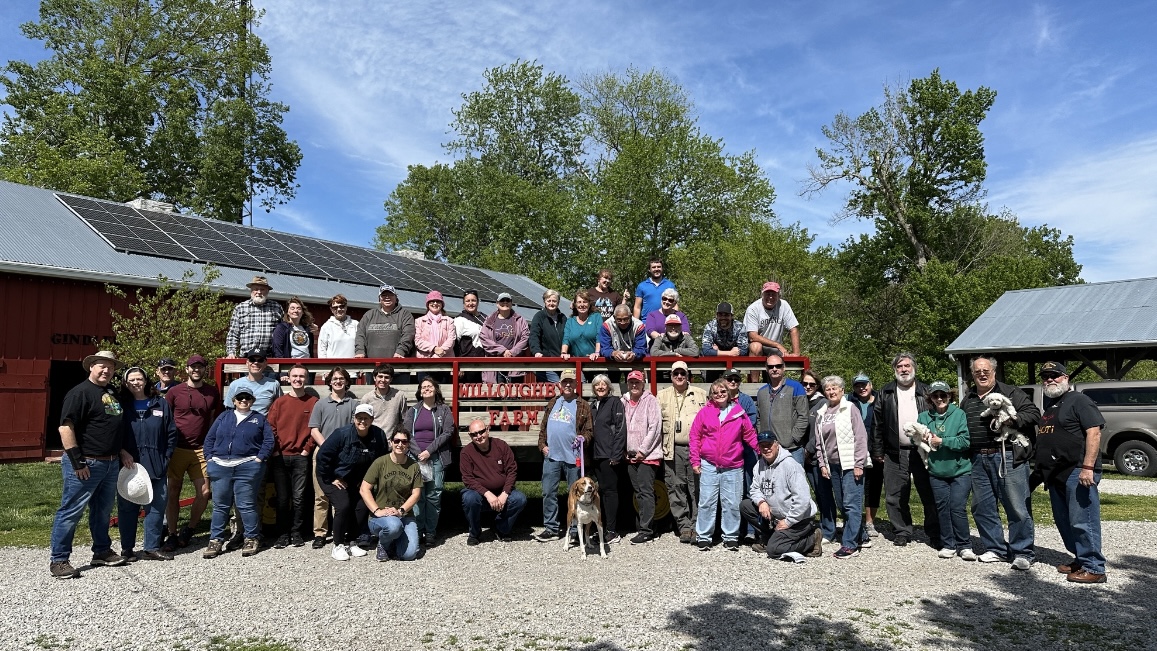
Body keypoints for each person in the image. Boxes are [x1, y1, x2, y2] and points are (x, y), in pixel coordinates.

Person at [50, 350, 133, 578]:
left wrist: (121, 451)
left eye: (110, 367)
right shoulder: (79, 393)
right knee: (71, 511)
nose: (106, 370)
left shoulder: (110, 392)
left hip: (111, 463)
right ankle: (59, 559)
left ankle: (102, 551)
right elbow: (65, 429)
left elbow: (109, 426)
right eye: (101, 366)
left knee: (103, 512)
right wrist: (78, 463)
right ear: (91, 367)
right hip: (87, 463)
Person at [960, 355, 1040, 568]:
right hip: (978, 457)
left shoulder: (1011, 393)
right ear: (973, 375)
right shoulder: (969, 399)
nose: (982, 374)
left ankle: (1023, 552)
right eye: (977, 372)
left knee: (1016, 505)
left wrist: (1013, 420)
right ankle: (995, 548)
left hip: (1007, 454)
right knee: (982, 506)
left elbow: (1033, 413)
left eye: (986, 370)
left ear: (994, 372)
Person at [1034, 362, 1107, 583]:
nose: (1050, 380)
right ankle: (1081, 558)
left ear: (1065, 377)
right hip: (1057, 473)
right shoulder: (1052, 405)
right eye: (1046, 376)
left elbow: (1093, 433)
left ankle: (1094, 568)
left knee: (1083, 519)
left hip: (1077, 471)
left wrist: (1088, 468)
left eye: (1054, 375)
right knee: (1064, 521)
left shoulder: (1079, 400)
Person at [872, 353, 940, 548]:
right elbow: (877, 424)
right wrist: (878, 450)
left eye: (907, 365)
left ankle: (935, 532)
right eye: (900, 366)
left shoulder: (927, 391)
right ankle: (902, 530)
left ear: (914, 368)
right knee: (895, 495)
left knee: (929, 492)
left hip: (922, 450)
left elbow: (937, 418)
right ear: (895, 369)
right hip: (895, 451)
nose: (904, 369)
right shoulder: (885, 392)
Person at [202, 388, 275, 559]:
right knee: (220, 505)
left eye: (247, 398)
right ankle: (216, 540)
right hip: (220, 465)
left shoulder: (258, 419)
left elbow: (269, 440)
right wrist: (210, 458)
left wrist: (259, 459)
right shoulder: (223, 417)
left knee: (246, 504)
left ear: (252, 400)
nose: (244, 400)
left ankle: (251, 538)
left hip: (247, 466)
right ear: (234, 400)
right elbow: (210, 439)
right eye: (240, 398)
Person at [690, 378, 758, 551]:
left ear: (729, 394)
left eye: (723, 392)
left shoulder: (738, 412)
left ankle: (731, 537)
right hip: (709, 464)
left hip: (733, 465)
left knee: (732, 503)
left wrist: (761, 451)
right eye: (715, 392)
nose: (719, 395)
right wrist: (695, 460)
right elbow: (695, 437)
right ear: (711, 395)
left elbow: (749, 434)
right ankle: (704, 536)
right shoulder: (704, 413)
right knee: (706, 502)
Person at [117, 367, 177, 562]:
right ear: (126, 383)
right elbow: (112, 432)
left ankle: (151, 547)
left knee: (157, 506)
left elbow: (171, 432)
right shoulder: (121, 405)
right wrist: (122, 452)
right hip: (129, 464)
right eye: (131, 379)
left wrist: (166, 457)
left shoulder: (160, 403)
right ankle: (127, 548)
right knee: (128, 507)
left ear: (146, 381)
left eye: (139, 378)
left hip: (156, 462)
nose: (136, 382)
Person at [315, 403, 389, 561]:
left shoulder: (379, 435)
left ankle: (352, 541)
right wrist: (332, 478)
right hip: (331, 476)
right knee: (343, 505)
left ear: (372, 419)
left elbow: (382, 460)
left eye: (366, 418)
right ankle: (338, 545)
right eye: (359, 418)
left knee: (362, 506)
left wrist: (370, 481)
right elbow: (322, 457)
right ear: (354, 419)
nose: (362, 421)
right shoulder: (341, 434)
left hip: (357, 479)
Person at [163, 355, 220, 552]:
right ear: (186, 369)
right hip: (177, 448)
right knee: (173, 492)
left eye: (200, 367)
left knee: (204, 492)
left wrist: (211, 444)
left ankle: (190, 528)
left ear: (206, 370)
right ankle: (171, 533)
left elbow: (213, 419)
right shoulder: (174, 392)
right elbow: (166, 419)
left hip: (201, 449)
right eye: (192, 367)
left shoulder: (212, 392)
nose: (196, 370)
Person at [740, 432, 822, 558]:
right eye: (762, 446)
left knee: (774, 550)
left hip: (799, 519)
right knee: (746, 505)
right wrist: (761, 502)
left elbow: (803, 499)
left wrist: (789, 521)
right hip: (777, 516)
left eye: (769, 445)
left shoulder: (790, 465)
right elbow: (754, 489)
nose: (766, 449)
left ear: (777, 445)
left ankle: (812, 538)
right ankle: (769, 538)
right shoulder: (759, 465)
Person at [814, 375, 869, 559]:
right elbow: (819, 444)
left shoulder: (850, 408)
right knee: (842, 504)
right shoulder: (822, 413)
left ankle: (849, 545)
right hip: (833, 465)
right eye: (828, 388)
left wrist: (859, 463)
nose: (831, 391)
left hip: (850, 463)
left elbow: (860, 437)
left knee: (851, 504)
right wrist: (822, 464)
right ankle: (862, 535)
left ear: (842, 390)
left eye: (835, 388)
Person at [265, 364, 318, 549]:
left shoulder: (313, 402)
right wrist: (276, 451)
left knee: (299, 497)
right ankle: (282, 534)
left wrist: (306, 449)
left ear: (307, 379)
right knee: (282, 497)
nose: (298, 379)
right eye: (294, 376)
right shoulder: (279, 402)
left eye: (302, 376)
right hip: (280, 456)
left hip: (301, 457)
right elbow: (270, 427)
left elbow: (315, 429)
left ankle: (296, 532)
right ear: (288, 378)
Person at [536, 369, 593, 542]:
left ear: (576, 384)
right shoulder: (553, 402)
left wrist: (584, 439)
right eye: (564, 382)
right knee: (548, 492)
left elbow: (589, 430)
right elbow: (543, 427)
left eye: (571, 382)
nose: (567, 385)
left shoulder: (583, 404)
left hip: (573, 458)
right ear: (559, 385)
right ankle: (551, 528)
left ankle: (576, 531)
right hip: (552, 456)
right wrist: (542, 446)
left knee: (576, 495)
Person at [919, 381, 973, 560]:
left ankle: (964, 545)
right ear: (930, 398)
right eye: (935, 395)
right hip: (937, 471)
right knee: (942, 508)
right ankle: (948, 544)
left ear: (950, 396)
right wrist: (923, 438)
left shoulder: (959, 414)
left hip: (960, 471)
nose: (940, 398)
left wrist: (942, 441)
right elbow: (915, 439)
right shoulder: (923, 417)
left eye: (943, 395)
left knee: (957, 507)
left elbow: (965, 442)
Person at [308, 367, 359, 549]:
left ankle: (341, 531)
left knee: (342, 495)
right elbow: (314, 429)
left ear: (346, 381)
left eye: (341, 378)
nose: (338, 381)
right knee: (321, 496)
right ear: (329, 382)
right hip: (323, 454)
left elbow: (356, 428)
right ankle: (320, 533)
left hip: (345, 456)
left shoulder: (353, 404)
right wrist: (326, 446)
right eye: (335, 379)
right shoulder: (321, 404)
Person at [402, 377, 456, 547]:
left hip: (436, 457)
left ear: (435, 389)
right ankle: (418, 531)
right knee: (418, 496)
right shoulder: (413, 411)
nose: (426, 389)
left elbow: (448, 432)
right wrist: (419, 453)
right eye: (423, 387)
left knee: (434, 495)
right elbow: (406, 433)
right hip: (415, 458)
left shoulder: (443, 410)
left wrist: (429, 451)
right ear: (419, 391)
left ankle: (431, 532)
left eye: (429, 386)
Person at [658, 361, 707, 544]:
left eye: (683, 373)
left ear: (688, 376)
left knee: (697, 488)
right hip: (672, 448)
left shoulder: (701, 394)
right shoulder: (661, 396)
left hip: (696, 449)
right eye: (676, 373)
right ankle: (684, 526)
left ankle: (697, 525)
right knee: (675, 487)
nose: (679, 376)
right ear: (671, 376)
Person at [459, 418, 527, 545]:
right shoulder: (466, 453)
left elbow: (512, 471)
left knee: (520, 499)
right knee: (469, 498)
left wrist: (505, 493)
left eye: (481, 432)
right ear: (470, 436)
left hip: (502, 493)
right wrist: (487, 494)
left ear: (488, 430)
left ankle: (501, 528)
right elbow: (468, 479)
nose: (479, 436)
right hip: (479, 494)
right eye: (474, 434)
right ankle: (474, 532)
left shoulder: (501, 446)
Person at [360, 427, 422, 561]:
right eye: (397, 441)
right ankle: (383, 544)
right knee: (393, 526)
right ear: (391, 442)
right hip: (381, 517)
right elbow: (364, 489)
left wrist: (401, 511)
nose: (400, 444)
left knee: (409, 555)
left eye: (404, 442)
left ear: (408, 444)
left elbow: (416, 494)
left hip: (404, 515)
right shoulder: (380, 462)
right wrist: (377, 510)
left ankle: (393, 541)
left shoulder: (414, 466)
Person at [623, 369, 663, 544]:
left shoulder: (651, 401)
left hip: (647, 455)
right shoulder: (623, 402)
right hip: (629, 455)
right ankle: (644, 525)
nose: (634, 385)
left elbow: (655, 428)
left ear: (643, 383)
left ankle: (647, 530)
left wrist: (643, 451)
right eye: (631, 382)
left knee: (646, 492)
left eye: (637, 382)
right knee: (638, 492)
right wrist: (623, 449)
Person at [588, 374, 626, 544]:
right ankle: (601, 529)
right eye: (597, 385)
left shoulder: (615, 402)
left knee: (610, 493)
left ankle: (612, 531)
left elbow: (620, 429)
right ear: (594, 388)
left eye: (604, 384)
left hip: (609, 455)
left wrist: (616, 453)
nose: (601, 387)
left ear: (609, 387)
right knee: (600, 493)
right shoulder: (593, 406)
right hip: (596, 455)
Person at [801, 368, 837, 545]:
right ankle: (819, 525)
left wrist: (808, 450)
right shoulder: (802, 401)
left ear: (817, 386)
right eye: (804, 383)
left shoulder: (822, 403)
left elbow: (820, 430)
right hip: (804, 456)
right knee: (813, 493)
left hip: (816, 457)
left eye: (811, 384)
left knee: (824, 493)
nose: (808, 387)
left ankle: (829, 530)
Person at [755, 354, 809, 465]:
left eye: (778, 366)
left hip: (792, 449)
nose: (774, 369)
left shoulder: (796, 387)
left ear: (783, 367)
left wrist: (792, 438)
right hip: (769, 449)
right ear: (766, 369)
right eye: (771, 367)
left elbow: (803, 416)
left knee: (794, 482)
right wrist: (762, 434)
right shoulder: (762, 392)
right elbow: (758, 417)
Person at [848, 373, 883, 540]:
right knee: (855, 486)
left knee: (873, 487)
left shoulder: (879, 401)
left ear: (870, 384)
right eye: (858, 385)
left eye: (864, 384)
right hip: (853, 451)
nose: (862, 388)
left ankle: (869, 522)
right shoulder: (848, 401)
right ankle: (854, 521)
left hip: (875, 450)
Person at [225, 275, 284, 358]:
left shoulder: (276, 307)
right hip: (246, 358)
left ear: (267, 291)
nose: (259, 292)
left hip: (269, 358)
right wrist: (231, 353)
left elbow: (282, 333)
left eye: (262, 289)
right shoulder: (241, 308)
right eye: (256, 289)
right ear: (251, 291)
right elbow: (233, 333)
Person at [354, 284, 416, 362]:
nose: (387, 297)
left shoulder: (405, 315)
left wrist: (401, 351)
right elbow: (360, 335)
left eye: (390, 294)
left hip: (397, 365)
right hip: (372, 366)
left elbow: (408, 335)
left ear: (396, 298)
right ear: (379, 299)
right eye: (383, 295)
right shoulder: (369, 315)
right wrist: (360, 351)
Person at [479, 292, 529, 384]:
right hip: (495, 364)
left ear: (511, 303)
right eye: (502, 300)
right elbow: (484, 338)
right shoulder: (489, 320)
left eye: (508, 300)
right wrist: (502, 351)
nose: (505, 302)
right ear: (497, 303)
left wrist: (512, 352)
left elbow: (525, 337)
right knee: (497, 394)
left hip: (515, 363)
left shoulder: (520, 319)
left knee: (514, 394)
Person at [743, 281, 800, 357]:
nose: (770, 297)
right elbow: (752, 337)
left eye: (773, 294)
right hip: (758, 347)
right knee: (756, 347)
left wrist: (796, 353)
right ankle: (755, 368)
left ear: (778, 296)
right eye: (768, 294)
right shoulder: (753, 309)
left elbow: (793, 329)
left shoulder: (783, 305)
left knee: (785, 357)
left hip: (774, 349)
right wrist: (777, 345)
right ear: (762, 294)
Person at [225, 350, 280, 416]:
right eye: (252, 360)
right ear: (247, 363)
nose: (256, 362)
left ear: (265, 364)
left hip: (263, 423)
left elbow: (279, 408)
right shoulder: (235, 384)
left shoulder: (274, 384)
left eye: (260, 360)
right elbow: (229, 410)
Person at [360, 363, 407, 436]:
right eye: (380, 376)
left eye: (386, 377)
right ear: (374, 378)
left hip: (393, 442)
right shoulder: (367, 398)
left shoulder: (399, 396)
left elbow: (404, 420)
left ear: (391, 379)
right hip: (373, 440)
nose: (383, 380)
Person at [529, 289, 566, 382]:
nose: (551, 303)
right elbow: (534, 336)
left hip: (562, 361)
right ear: (544, 301)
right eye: (549, 301)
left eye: (554, 301)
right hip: (546, 362)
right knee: (557, 385)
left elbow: (568, 336)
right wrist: (536, 351)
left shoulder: (563, 318)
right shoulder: (539, 317)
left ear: (558, 302)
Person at [453, 289, 488, 383]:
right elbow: (455, 344)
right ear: (464, 303)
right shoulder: (460, 320)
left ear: (478, 302)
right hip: (467, 364)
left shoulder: (485, 318)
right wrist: (458, 365)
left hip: (484, 364)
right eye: (467, 301)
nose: (470, 303)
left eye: (473, 300)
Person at [560, 290, 603, 363]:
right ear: (575, 305)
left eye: (585, 302)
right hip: (576, 364)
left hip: (594, 362)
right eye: (579, 302)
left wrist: (597, 353)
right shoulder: (570, 321)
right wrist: (564, 353)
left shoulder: (596, 317)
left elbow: (599, 337)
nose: (582, 305)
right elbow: (566, 339)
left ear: (589, 304)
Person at [414, 290, 455, 364]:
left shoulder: (449, 321)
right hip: (424, 361)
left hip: (445, 361)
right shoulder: (419, 321)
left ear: (442, 304)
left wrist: (440, 352)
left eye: (438, 301)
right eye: (432, 301)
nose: (435, 303)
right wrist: (434, 348)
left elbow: (451, 339)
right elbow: (418, 341)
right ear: (428, 304)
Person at [318, 294, 358, 360]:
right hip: (334, 368)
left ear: (346, 307)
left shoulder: (356, 324)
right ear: (331, 309)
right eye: (335, 307)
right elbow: (322, 350)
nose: (339, 309)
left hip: (353, 367)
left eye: (341, 306)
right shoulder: (326, 327)